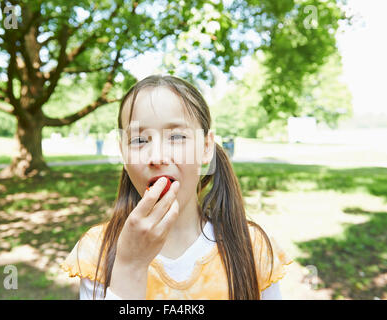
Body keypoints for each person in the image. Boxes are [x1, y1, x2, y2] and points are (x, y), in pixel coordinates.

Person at [60, 75, 292, 300]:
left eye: (177, 136)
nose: (157, 156)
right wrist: (129, 265)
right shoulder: (97, 250)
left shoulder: (253, 248)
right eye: (140, 140)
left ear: (206, 147)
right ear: (123, 152)